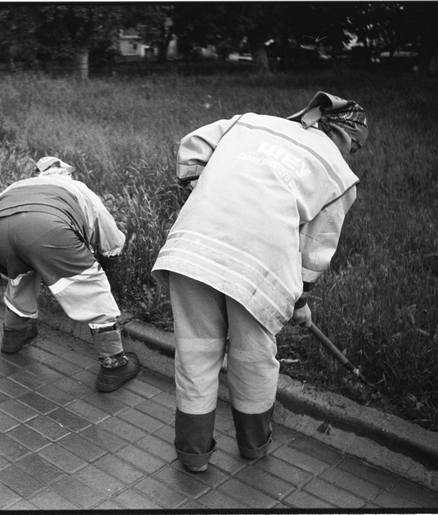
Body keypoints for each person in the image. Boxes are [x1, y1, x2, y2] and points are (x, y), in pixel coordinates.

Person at [151, 91, 368, 472]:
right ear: (347, 138)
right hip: (260, 270)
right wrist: (300, 300)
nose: (352, 153)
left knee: (196, 352)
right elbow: (314, 249)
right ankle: (253, 447)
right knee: (252, 358)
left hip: (193, 248)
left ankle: (193, 455)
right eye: (356, 146)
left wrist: (205, 190)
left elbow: (192, 147)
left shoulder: (248, 121)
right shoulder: (338, 173)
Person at [0, 156, 140, 393]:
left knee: (21, 277)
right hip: (50, 228)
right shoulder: (76, 187)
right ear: (65, 173)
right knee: (91, 288)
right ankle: (114, 364)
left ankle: (13, 338)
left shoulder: (18, 186)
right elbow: (109, 236)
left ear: (37, 173)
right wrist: (108, 260)